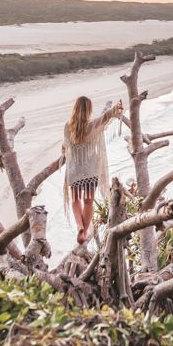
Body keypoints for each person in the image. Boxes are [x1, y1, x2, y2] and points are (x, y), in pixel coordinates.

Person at [62, 96, 123, 243]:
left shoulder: (67, 126)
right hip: (90, 171)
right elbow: (106, 117)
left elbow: (65, 146)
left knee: (75, 200)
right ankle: (85, 228)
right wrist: (116, 107)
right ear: (88, 110)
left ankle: (80, 227)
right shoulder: (91, 125)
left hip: (75, 170)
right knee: (88, 201)